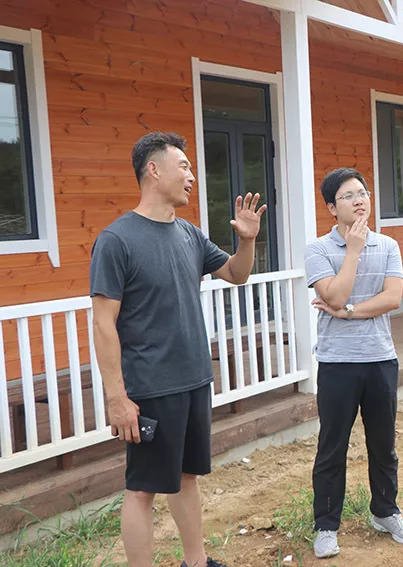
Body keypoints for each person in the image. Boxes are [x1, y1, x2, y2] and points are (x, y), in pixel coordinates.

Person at [90, 132, 266, 567]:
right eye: (184, 166)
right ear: (154, 169)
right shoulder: (117, 240)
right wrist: (117, 398)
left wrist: (246, 241)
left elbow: (235, 274)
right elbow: (102, 323)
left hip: (193, 379)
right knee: (143, 488)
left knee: (187, 476)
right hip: (151, 386)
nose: (192, 176)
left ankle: (196, 561)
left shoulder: (189, 234)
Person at [305, 167, 403, 559]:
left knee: (383, 444)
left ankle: (386, 511)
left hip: (380, 358)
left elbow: (392, 299)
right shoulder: (318, 249)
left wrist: (350, 311)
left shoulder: (388, 245)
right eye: (348, 195)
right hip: (337, 362)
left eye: (363, 192)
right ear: (330, 207)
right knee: (332, 447)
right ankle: (326, 525)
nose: (359, 199)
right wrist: (352, 253)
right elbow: (331, 297)